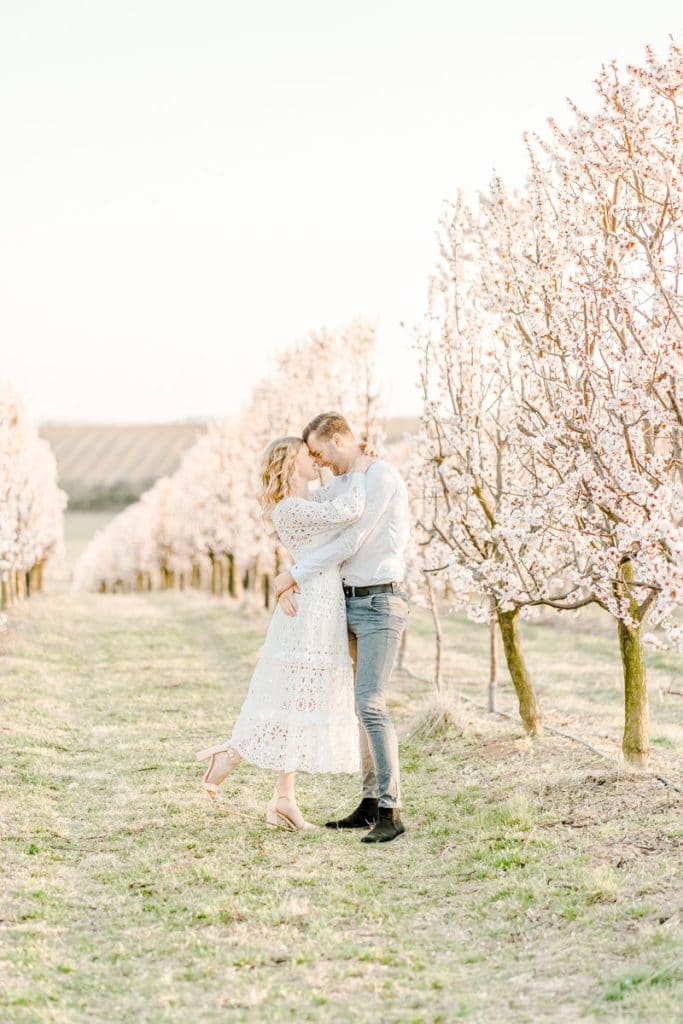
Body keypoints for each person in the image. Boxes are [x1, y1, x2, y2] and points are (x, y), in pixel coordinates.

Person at [196, 435, 374, 831]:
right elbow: (350, 510)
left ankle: (283, 799)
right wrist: (361, 470)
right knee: (294, 696)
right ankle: (233, 755)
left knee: (303, 700)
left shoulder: (309, 501)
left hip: (320, 599)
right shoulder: (291, 509)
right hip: (309, 606)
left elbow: (336, 519)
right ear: (291, 462)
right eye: (307, 455)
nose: (316, 460)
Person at [274, 413, 410, 844]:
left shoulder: (381, 476)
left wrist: (293, 574)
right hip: (348, 602)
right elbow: (316, 520)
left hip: (379, 601)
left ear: (339, 439)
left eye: (320, 451)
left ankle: (391, 808)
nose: (319, 460)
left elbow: (351, 541)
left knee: (372, 704)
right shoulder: (346, 479)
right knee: (359, 708)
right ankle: (369, 804)